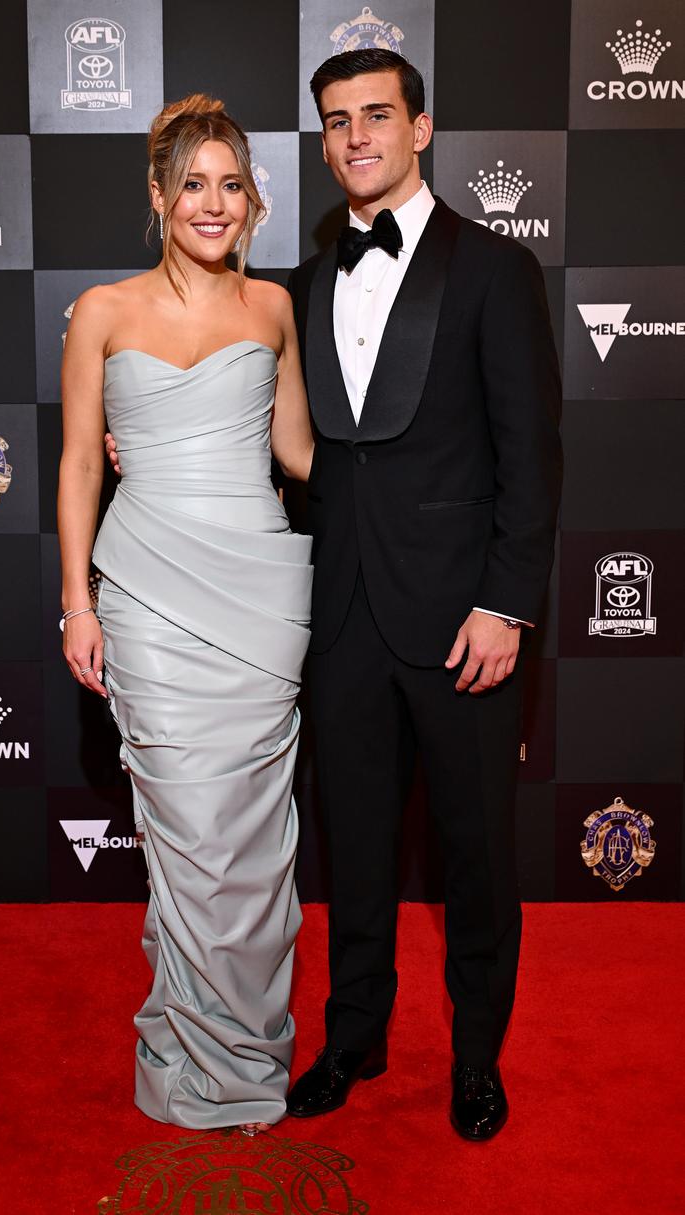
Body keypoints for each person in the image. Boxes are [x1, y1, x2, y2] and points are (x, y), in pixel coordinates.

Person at [282, 50, 562, 1140]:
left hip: (462, 621)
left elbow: (530, 454)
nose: (358, 136)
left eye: (378, 115)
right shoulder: (303, 286)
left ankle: (479, 1057)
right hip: (342, 612)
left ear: (422, 126)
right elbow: (290, 447)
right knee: (354, 845)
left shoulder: (495, 268)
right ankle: (354, 1036)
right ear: (323, 141)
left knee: (478, 854)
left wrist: (507, 604)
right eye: (338, 121)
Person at [58, 94, 314, 1135]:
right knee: (189, 833)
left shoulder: (275, 312)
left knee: (252, 844)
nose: (214, 203)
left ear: (253, 202)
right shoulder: (102, 312)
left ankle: (244, 1060)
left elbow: (301, 456)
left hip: (257, 589)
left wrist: (430, 454)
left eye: (232, 184)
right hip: (151, 593)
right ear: (159, 196)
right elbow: (80, 462)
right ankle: (191, 1059)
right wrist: (77, 602)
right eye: (194, 183)